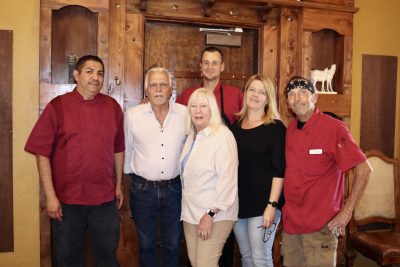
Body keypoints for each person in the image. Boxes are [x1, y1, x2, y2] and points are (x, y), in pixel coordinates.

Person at [25, 55, 124, 267]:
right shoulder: (57, 106)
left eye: (99, 73)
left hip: (104, 200)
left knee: (108, 257)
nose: (95, 77)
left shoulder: (113, 107)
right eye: (89, 72)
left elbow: (118, 149)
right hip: (67, 201)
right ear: (76, 75)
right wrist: (50, 196)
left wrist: (118, 186)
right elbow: (41, 153)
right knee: (68, 259)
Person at [281, 76, 372, 267]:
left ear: (314, 98)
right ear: (288, 103)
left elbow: (364, 170)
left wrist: (347, 212)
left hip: (320, 227)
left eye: (303, 92)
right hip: (291, 227)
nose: (297, 98)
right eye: (291, 94)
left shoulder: (334, 128)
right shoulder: (289, 131)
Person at [177, 46, 242, 266]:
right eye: (193, 106)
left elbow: (227, 180)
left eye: (203, 106)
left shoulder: (222, 136)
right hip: (191, 212)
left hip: (214, 212)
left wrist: (210, 214)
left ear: (212, 108)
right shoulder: (192, 136)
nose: (197, 110)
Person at [124, 67, 187, 267]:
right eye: (153, 85)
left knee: (173, 244)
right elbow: (126, 149)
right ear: (146, 90)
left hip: (175, 189)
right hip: (142, 190)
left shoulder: (185, 114)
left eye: (163, 84)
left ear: (171, 89)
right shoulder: (132, 115)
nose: (158, 89)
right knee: (146, 244)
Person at [231, 74, 285, 267]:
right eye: (252, 90)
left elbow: (280, 170)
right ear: (245, 93)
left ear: (268, 98)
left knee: (260, 257)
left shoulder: (276, 128)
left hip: (264, 205)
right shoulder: (235, 126)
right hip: (239, 204)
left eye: (261, 92)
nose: (255, 95)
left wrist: (272, 205)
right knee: (246, 256)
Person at [176, 46, 243, 127]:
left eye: (214, 63)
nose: (210, 67)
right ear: (201, 65)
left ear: (222, 67)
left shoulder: (236, 95)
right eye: (206, 63)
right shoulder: (186, 95)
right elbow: (176, 124)